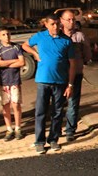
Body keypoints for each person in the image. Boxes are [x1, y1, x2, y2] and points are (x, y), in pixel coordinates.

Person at [22, 14, 77, 154]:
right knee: (40, 112)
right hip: (43, 81)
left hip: (60, 82)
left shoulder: (66, 41)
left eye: (57, 24)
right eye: (52, 24)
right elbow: (25, 45)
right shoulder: (40, 36)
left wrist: (70, 84)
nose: (55, 27)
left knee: (57, 113)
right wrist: (34, 53)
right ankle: (39, 141)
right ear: (46, 24)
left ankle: (53, 139)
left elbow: (72, 64)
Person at [60, 10, 92, 142]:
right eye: (68, 19)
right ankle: (56, 129)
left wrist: (81, 63)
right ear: (61, 21)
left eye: (73, 19)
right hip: (60, 75)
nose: (71, 22)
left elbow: (87, 54)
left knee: (73, 103)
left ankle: (70, 130)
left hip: (76, 74)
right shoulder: (57, 36)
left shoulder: (79, 36)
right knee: (58, 103)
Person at [0, 27, 25, 141]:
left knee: (16, 104)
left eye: (8, 34)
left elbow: (22, 62)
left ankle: (18, 128)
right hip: (4, 81)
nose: (6, 36)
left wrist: (5, 63)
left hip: (15, 80)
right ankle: (9, 128)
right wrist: (13, 61)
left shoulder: (16, 47)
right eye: (3, 34)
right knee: (5, 105)